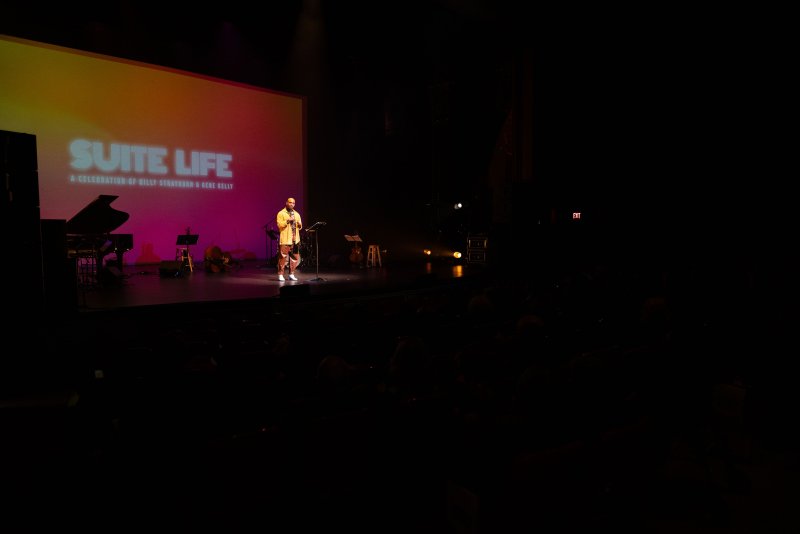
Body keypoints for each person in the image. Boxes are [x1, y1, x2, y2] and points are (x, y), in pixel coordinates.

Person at [276, 197, 302, 281]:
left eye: (293, 203)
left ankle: (291, 274)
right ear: (286, 202)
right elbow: (279, 225)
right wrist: (287, 220)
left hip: (295, 239)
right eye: (290, 202)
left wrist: (299, 224)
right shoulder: (281, 213)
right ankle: (280, 274)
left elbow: (300, 226)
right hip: (286, 239)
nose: (292, 204)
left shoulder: (297, 214)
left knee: (294, 257)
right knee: (282, 257)